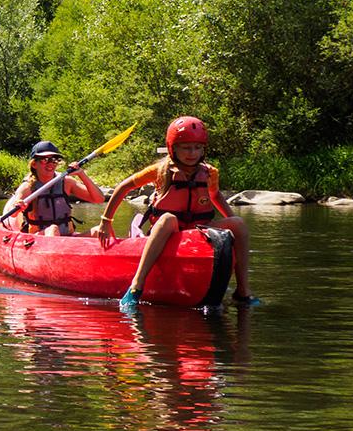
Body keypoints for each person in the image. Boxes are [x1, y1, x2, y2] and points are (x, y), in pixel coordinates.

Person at [94, 116, 258, 309]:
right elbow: (123, 187)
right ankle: (136, 286)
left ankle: (243, 292)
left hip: (198, 229)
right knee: (167, 218)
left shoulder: (210, 173)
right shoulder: (159, 171)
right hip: (169, 231)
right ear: (173, 147)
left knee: (238, 222)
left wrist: (230, 218)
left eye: (197, 148)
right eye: (186, 147)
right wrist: (106, 221)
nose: (192, 153)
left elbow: (215, 196)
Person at [6, 140, 106, 236]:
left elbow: (99, 199)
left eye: (54, 160)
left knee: (101, 231)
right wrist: (18, 207)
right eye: (45, 160)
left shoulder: (66, 182)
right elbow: (12, 213)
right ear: (34, 164)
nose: (51, 163)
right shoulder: (28, 186)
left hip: (67, 237)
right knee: (53, 229)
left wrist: (81, 174)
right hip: (38, 239)